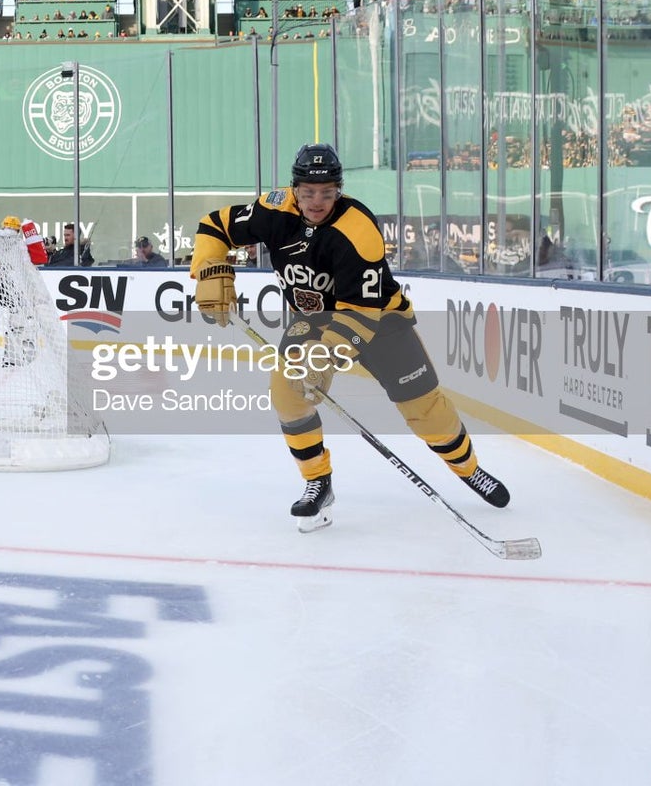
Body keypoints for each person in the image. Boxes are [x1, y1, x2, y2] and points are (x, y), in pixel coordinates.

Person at [191, 142, 511, 531]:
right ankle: (317, 482)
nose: (317, 201)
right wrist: (211, 267)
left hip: (380, 318)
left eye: (327, 193)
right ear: (295, 189)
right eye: (308, 192)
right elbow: (214, 226)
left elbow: (360, 314)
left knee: (425, 409)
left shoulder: (358, 229)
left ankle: (468, 468)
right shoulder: (273, 209)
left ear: (339, 190)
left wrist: (321, 360)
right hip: (313, 318)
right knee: (288, 395)